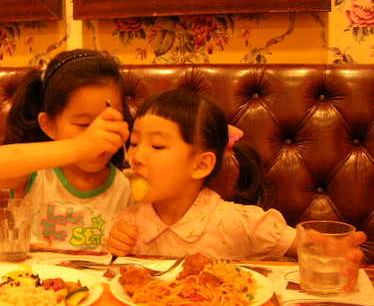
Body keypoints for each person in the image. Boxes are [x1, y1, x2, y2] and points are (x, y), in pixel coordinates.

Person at [106, 89, 365, 287]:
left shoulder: (236, 222)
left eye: (157, 146)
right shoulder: (128, 221)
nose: (136, 157)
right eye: (134, 143)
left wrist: (332, 250)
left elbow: (303, 245)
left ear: (201, 165)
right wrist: (115, 244)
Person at [0, 49, 132, 252]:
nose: (97, 135)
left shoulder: (122, 186)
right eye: (84, 124)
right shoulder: (37, 174)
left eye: (109, 122)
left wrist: (121, 242)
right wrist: (80, 147)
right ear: (49, 126)